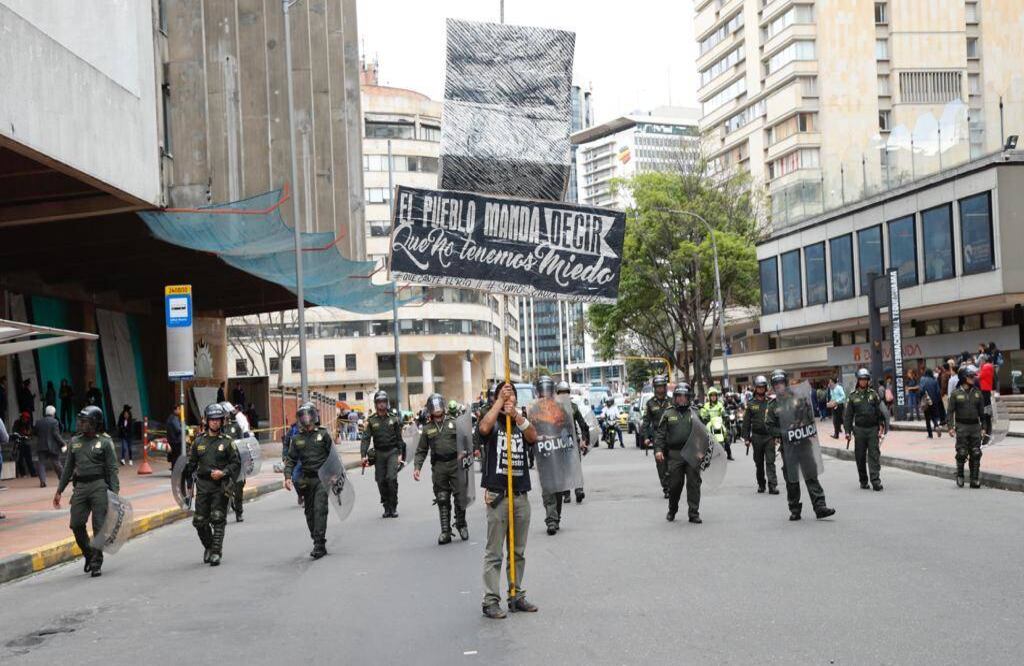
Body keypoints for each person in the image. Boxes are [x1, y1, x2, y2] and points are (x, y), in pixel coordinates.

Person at [477, 381, 539, 619]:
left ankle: (516, 594)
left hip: (520, 494)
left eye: (511, 393)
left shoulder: (519, 421)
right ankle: (491, 600)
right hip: (498, 495)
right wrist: (499, 404)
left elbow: (533, 437)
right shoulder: (492, 420)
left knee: (518, 551)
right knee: (495, 552)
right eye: (504, 394)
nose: (509, 397)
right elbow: (483, 429)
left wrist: (516, 414)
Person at [53, 406, 119, 577]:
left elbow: (112, 470)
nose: (81, 424)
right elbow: (67, 469)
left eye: (85, 422)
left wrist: (114, 494)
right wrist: (59, 490)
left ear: (95, 423)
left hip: (99, 486)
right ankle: (89, 554)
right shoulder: (75, 442)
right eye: (80, 421)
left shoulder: (105, 442)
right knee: (76, 524)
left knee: (98, 526)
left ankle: (96, 563)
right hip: (80, 488)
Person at [767, 369, 835, 521]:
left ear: (786, 382)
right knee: (792, 479)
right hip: (788, 447)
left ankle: (820, 507)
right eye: (776, 383)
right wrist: (783, 432)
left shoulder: (798, 398)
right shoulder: (772, 405)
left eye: (781, 382)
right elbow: (769, 426)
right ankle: (794, 509)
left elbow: (809, 416)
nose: (779, 386)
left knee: (811, 474)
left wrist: (805, 424)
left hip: (804, 443)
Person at [186, 403, 240, 565]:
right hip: (202, 486)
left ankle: (216, 552)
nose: (215, 422)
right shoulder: (198, 442)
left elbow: (236, 463)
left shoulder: (228, 442)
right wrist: (188, 486)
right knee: (199, 520)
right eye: (212, 419)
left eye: (218, 419)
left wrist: (223, 473)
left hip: (220, 487)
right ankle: (208, 546)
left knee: (218, 518)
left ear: (222, 421)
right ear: (207, 421)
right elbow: (191, 465)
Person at [413, 394, 468, 544]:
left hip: (455, 464)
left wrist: (465, 452)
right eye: (434, 407)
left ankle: (461, 524)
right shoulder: (427, 429)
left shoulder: (454, 423)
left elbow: (465, 441)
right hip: (439, 467)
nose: (437, 409)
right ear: (430, 410)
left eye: (439, 406)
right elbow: (421, 450)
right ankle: (445, 532)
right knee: (442, 498)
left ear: (444, 407)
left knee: (460, 496)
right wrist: (417, 467)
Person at [283, 402, 333, 558]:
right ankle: (316, 538)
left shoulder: (323, 434)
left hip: (322, 479)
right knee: (310, 513)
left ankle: (319, 544)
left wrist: (335, 474)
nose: (305, 419)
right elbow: (290, 459)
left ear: (313, 416)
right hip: (306, 479)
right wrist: (287, 477)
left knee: (320, 510)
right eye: (302, 416)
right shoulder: (297, 438)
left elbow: (333, 456)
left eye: (308, 415)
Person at [654, 383, 702, 523]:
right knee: (675, 484)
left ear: (688, 398)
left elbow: (702, 434)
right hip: (675, 454)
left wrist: (701, 451)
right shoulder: (668, 413)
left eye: (684, 396)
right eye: (678, 396)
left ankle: (693, 513)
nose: (681, 399)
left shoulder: (695, 413)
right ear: (675, 397)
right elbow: (660, 435)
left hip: (692, 453)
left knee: (694, 484)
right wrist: (658, 450)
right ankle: (672, 509)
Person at [361, 390, 406, 518]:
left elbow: (399, 439)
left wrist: (400, 454)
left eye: (383, 402)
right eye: (379, 402)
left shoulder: (394, 419)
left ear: (387, 403)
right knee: (381, 481)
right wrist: (363, 455)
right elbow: (365, 438)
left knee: (391, 479)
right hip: (379, 453)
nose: (381, 405)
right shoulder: (371, 421)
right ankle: (386, 506)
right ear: (376, 404)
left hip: (392, 452)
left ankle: (393, 506)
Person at [844, 368, 886, 491]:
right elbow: (848, 416)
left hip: (873, 429)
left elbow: (880, 412)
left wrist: (882, 425)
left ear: (868, 381)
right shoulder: (852, 396)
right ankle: (863, 480)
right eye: (861, 380)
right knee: (860, 457)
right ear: (858, 381)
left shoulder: (874, 394)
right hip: (859, 430)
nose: (863, 382)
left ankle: (875, 481)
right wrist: (847, 431)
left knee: (874, 455)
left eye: (865, 380)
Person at [949, 365, 985, 488]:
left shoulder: (978, 393)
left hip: (975, 427)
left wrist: (984, 427)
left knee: (976, 453)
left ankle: (974, 479)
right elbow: (950, 412)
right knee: (962, 452)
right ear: (963, 378)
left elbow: (982, 413)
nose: (973, 378)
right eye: (970, 376)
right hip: (961, 426)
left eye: (973, 376)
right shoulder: (955, 394)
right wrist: (950, 427)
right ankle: (960, 475)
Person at [742, 375, 778, 495]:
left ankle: (772, 486)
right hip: (756, 437)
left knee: (770, 461)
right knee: (759, 463)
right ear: (755, 388)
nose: (761, 389)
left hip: (769, 437)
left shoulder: (771, 402)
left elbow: (776, 419)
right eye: (759, 387)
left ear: (766, 388)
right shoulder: (751, 404)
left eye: (763, 387)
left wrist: (777, 435)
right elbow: (746, 422)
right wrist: (746, 438)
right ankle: (761, 484)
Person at [556, 381, 590, 504]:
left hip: (573, 441)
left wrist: (584, 440)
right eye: (561, 393)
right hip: (558, 442)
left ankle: (579, 491)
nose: (564, 395)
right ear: (558, 394)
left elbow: (583, 425)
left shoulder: (574, 407)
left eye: (566, 393)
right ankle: (566, 493)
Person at [642, 376, 673, 499]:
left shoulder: (672, 401)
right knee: (661, 463)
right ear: (655, 388)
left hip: (671, 436)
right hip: (657, 438)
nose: (660, 389)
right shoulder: (650, 403)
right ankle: (666, 488)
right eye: (658, 387)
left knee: (672, 463)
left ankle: (673, 485)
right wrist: (645, 437)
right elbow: (646, 422)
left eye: (662, 387)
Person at [218, 402, 245, 523]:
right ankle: (223, 512)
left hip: (237, 463)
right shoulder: (216, 430)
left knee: (238, 489)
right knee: (223, 490)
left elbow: (243, 444)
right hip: (223, 464)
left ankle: (239, 512)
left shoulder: (236, 427)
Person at [34, 405, 66, 487]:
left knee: (41, 463)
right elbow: (56, 434)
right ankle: (63, 479)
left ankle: (42, 481)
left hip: (41, 446)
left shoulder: (38, 422)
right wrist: (63, 443)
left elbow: (35, 433)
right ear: (53, 413)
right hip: (52, 446)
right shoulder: (54, 421)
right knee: (56, 462)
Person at [699, 386, 732, 460]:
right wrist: (703, 416)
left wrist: (725, 414)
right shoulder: (706, 405)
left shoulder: (720, 404)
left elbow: (723, 411)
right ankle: (704, 455)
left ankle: (729, 454)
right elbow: (702, 413)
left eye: (714, 395)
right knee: (705, 436)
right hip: (710, 423)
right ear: (709, 396)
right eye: (712, 395)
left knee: (725, 435)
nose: (713, 397)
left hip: (719, 423)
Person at [919, 369, 942, 439]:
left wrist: (920, 399)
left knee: (927, 418)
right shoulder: (934, 380)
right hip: (934, 401)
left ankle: (930, 434)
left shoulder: (922, 379)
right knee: (933, 416)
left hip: (926, 400)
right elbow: (938, 391)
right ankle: (936, 426)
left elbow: (921, 390)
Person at [12, 411, 35, 478]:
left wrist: (28, 434)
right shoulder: (17, 423)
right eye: (24, 418)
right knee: (20, 459)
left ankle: (33, 473)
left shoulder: (28, 424)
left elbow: (30, 433)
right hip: (19, 443)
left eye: (27, 419)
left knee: (29, 459)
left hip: (26, 443)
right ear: (22, 418)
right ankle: (23, 473)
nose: (25, 420)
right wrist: (21, 434)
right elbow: (14, 431)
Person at [977, 354, 995, 437]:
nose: (979, 363)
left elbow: (979, 376)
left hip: (984, 390)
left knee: (985, 411)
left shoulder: (986, 367)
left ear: (983, 360)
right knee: (987, 410)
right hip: (987, 390)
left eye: (980, 361)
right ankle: (988, 429)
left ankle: (987, 429)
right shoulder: (989, 366)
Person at [166, 405, 183, 469]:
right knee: (177, 456)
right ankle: (176, 470)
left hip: (172, 440)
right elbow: (178, 429)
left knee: (174, 456)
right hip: (176, 441)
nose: (180, 411)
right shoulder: (174, 418)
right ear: (175, 410)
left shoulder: (171, 418)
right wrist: (184, 429)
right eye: (179, 409)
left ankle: (174, 470)